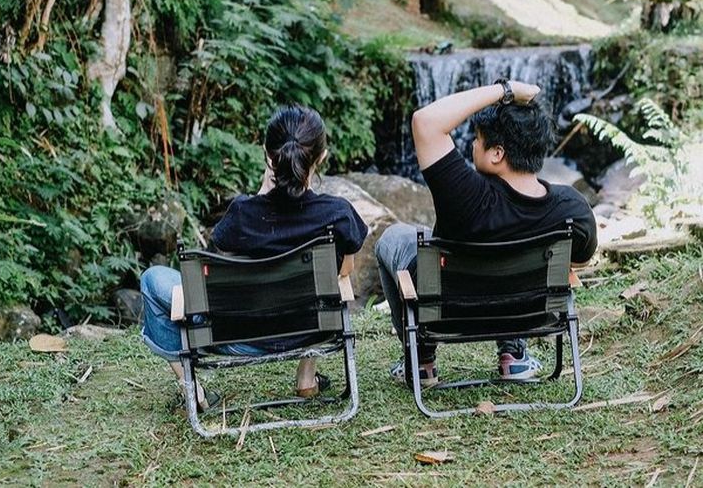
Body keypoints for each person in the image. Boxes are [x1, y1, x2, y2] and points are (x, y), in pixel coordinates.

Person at [141, 105, 368, 409]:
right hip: (312, 329)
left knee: (152, 279)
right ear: (321, 157)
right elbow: (345, 271)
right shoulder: (338, 214)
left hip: (237, 336)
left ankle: (192, 391)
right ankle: (306, 376)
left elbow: (217, 271)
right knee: (328, 284)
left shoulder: (242, 214)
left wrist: (261, 194)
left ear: (267, 155)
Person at [375, 80, 597, 387]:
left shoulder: (465, 195)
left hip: (449, 312)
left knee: (394, 237)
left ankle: (422, 359)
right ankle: (514, 355)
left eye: (477, 140)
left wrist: (506, 89)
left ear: (496, 153)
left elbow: (425, 121)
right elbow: (579, 262)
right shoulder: (572, 208)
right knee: (518, 261)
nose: (471, 146)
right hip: (528, 313)